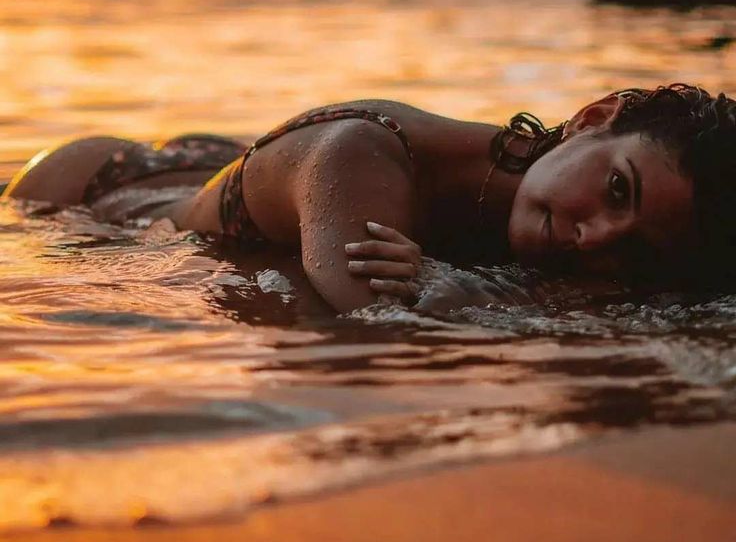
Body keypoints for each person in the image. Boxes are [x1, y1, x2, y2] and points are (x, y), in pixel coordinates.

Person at [4, 84, 735, 313]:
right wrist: (465, 294)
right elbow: (370, 317)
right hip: (91, 195)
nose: (595, 238)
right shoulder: (360, 157)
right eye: (616, 189)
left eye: (633, 247)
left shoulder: (529, 197)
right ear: (596, 116)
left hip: (221, 170)